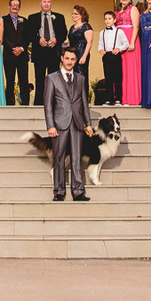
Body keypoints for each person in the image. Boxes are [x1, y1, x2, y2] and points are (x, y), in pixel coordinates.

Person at [43, 47, 93, 202]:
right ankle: (59, 191)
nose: (69, 62)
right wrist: (50, 125)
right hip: (59, 124)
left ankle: (78, 192)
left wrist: (88, 124)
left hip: (77, 123)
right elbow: (48, 105)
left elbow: (84, 103)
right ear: (62, 59)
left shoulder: (80, 79)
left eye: (72, 59)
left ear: (75, 60)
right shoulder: (51, 78)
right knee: (59, 158)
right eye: (67, 59)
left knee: (77, 158)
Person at [32, 0, 67, 106]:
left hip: (53, 52)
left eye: (48, 2)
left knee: (54, 79)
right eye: (44, 2)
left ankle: (54, 102)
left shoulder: (59, 17)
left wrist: (56, 39)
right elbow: (28, 34)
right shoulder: (33, 18)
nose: (46, 4)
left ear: (51, 3)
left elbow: (64, 33)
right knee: (39, 78)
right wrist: (38, 39)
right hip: (39, 52)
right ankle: (39, 103)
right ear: (40, 3)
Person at [95, 10, 129, 104]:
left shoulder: (119, 32)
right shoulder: (102, 32)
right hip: (106, 56)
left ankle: (118, 98)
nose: (107, 21)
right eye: (105, 19)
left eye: (109, 19)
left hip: (116, 56)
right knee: (108, 78)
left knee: (118, 78)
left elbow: (126, 44)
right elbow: (100, 44)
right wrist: (101, 49)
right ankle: (109, 99)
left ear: (114, 20)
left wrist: (119, 49)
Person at [2, 0, 31, 105]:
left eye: (17, 5)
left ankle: (25, 103)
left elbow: (28, 37)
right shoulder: (2, 20)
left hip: (22, 55)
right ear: (9, 6)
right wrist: (13, 48)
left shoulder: (25, 20)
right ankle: (9, 104)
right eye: (13, 5)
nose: (15, 7)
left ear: (19, 7)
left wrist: (21, 48)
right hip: (9, 55)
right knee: (10, 80)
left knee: (24, 80)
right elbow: (2, 37)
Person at [115, 0, 141, 106]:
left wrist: (132, 42)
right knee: (121, 70)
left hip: (130, 38)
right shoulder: (116, 11)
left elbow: (135, 26)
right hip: (119, 41)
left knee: (130, 69)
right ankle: (121, 98)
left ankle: (132, 98)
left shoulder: (133, 9)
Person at [66, 6, 95, 84]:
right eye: (72, 14)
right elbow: (69, 42)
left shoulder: (86, 26)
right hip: (72, 55)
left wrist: (84, 56)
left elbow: (90, 42)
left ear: (82, 15)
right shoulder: (72, 27)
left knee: (81, 77)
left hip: (81, 53)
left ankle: (83, 96)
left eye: (76, 14)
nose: (73, 15)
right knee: (72, 78)